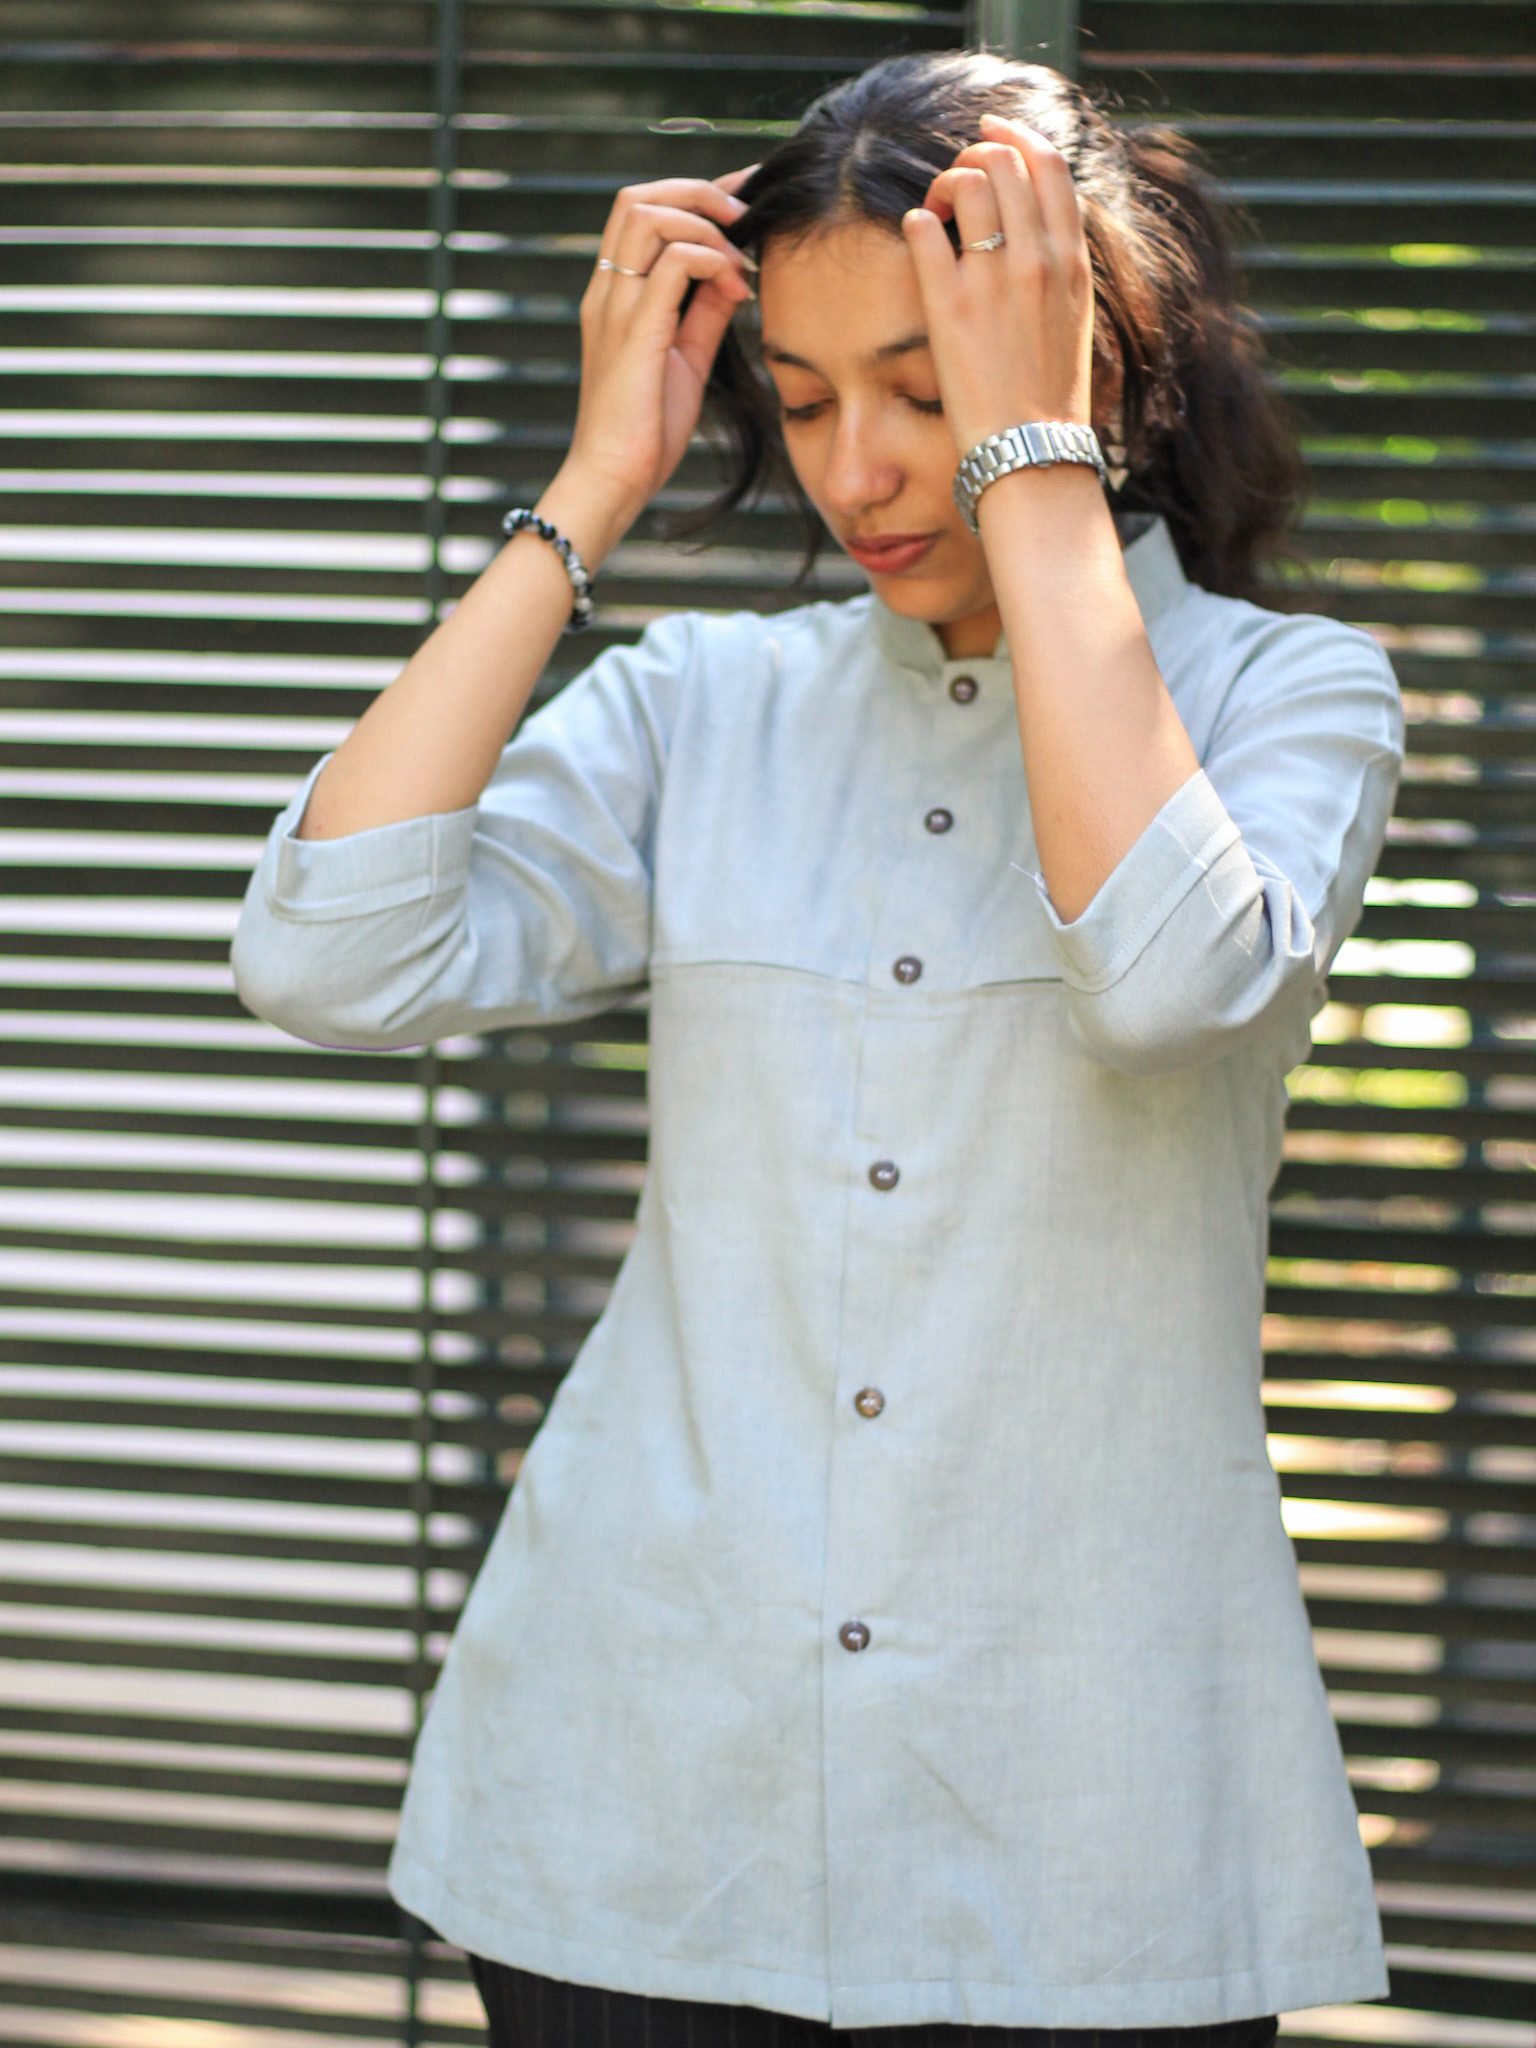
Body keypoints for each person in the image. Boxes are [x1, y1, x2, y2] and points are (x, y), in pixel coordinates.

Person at [230, 45, 1403, 2048]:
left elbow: (1162, 985)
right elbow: (328, 956)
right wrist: (591, 492)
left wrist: (1034, 465)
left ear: (1090, 358)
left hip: (1089, 1828)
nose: (856, 472)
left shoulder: (1291, 700)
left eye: (926, 394)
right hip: (639, 1797)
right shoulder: (701, 703)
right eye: (802, 400)